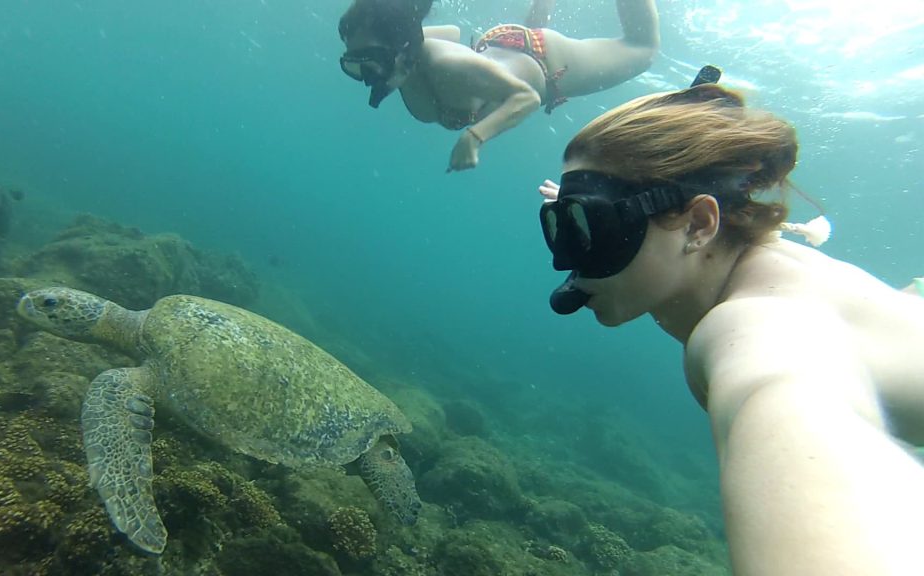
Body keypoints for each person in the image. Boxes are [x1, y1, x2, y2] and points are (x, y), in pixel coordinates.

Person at [536, 80, 924, 574]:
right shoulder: (739, 254)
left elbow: (783, 386)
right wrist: (598, 219)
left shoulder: (756, 327)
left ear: (700, 225)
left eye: (587, 227)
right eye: (560, 225)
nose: (566, 260)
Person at [338, 0, 660, 172]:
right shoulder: (412, 60)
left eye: (372, 60)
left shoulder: (445, 64)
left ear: (402, 48)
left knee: (642, 49)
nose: (367, 74)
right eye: (354, 62)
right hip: (496, 50)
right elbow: (450, 32)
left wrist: (474, 138)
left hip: (544, 60)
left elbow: (527, 97)